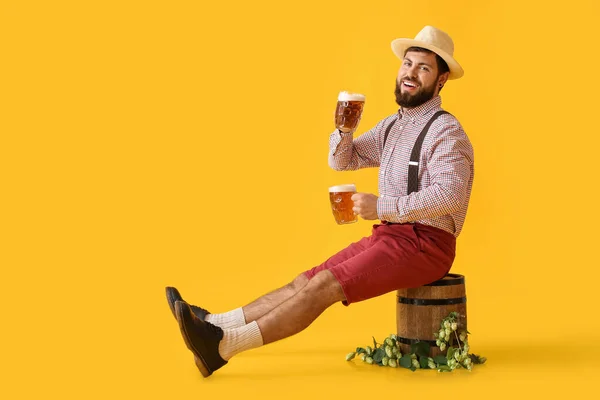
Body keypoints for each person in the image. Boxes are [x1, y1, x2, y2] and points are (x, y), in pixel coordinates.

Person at [166, 25, 474, 378]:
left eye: (423, 68)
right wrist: (345, 129)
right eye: (408, 64)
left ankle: (222, 346)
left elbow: (449, 195)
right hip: (392, 236)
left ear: (441, 79)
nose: (410, 74)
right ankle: (213, 322)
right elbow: (343, 161)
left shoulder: (445, 132)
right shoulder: (394, 126)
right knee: (305, 280)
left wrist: (382, 206)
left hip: (427, 245)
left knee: (325, 286)